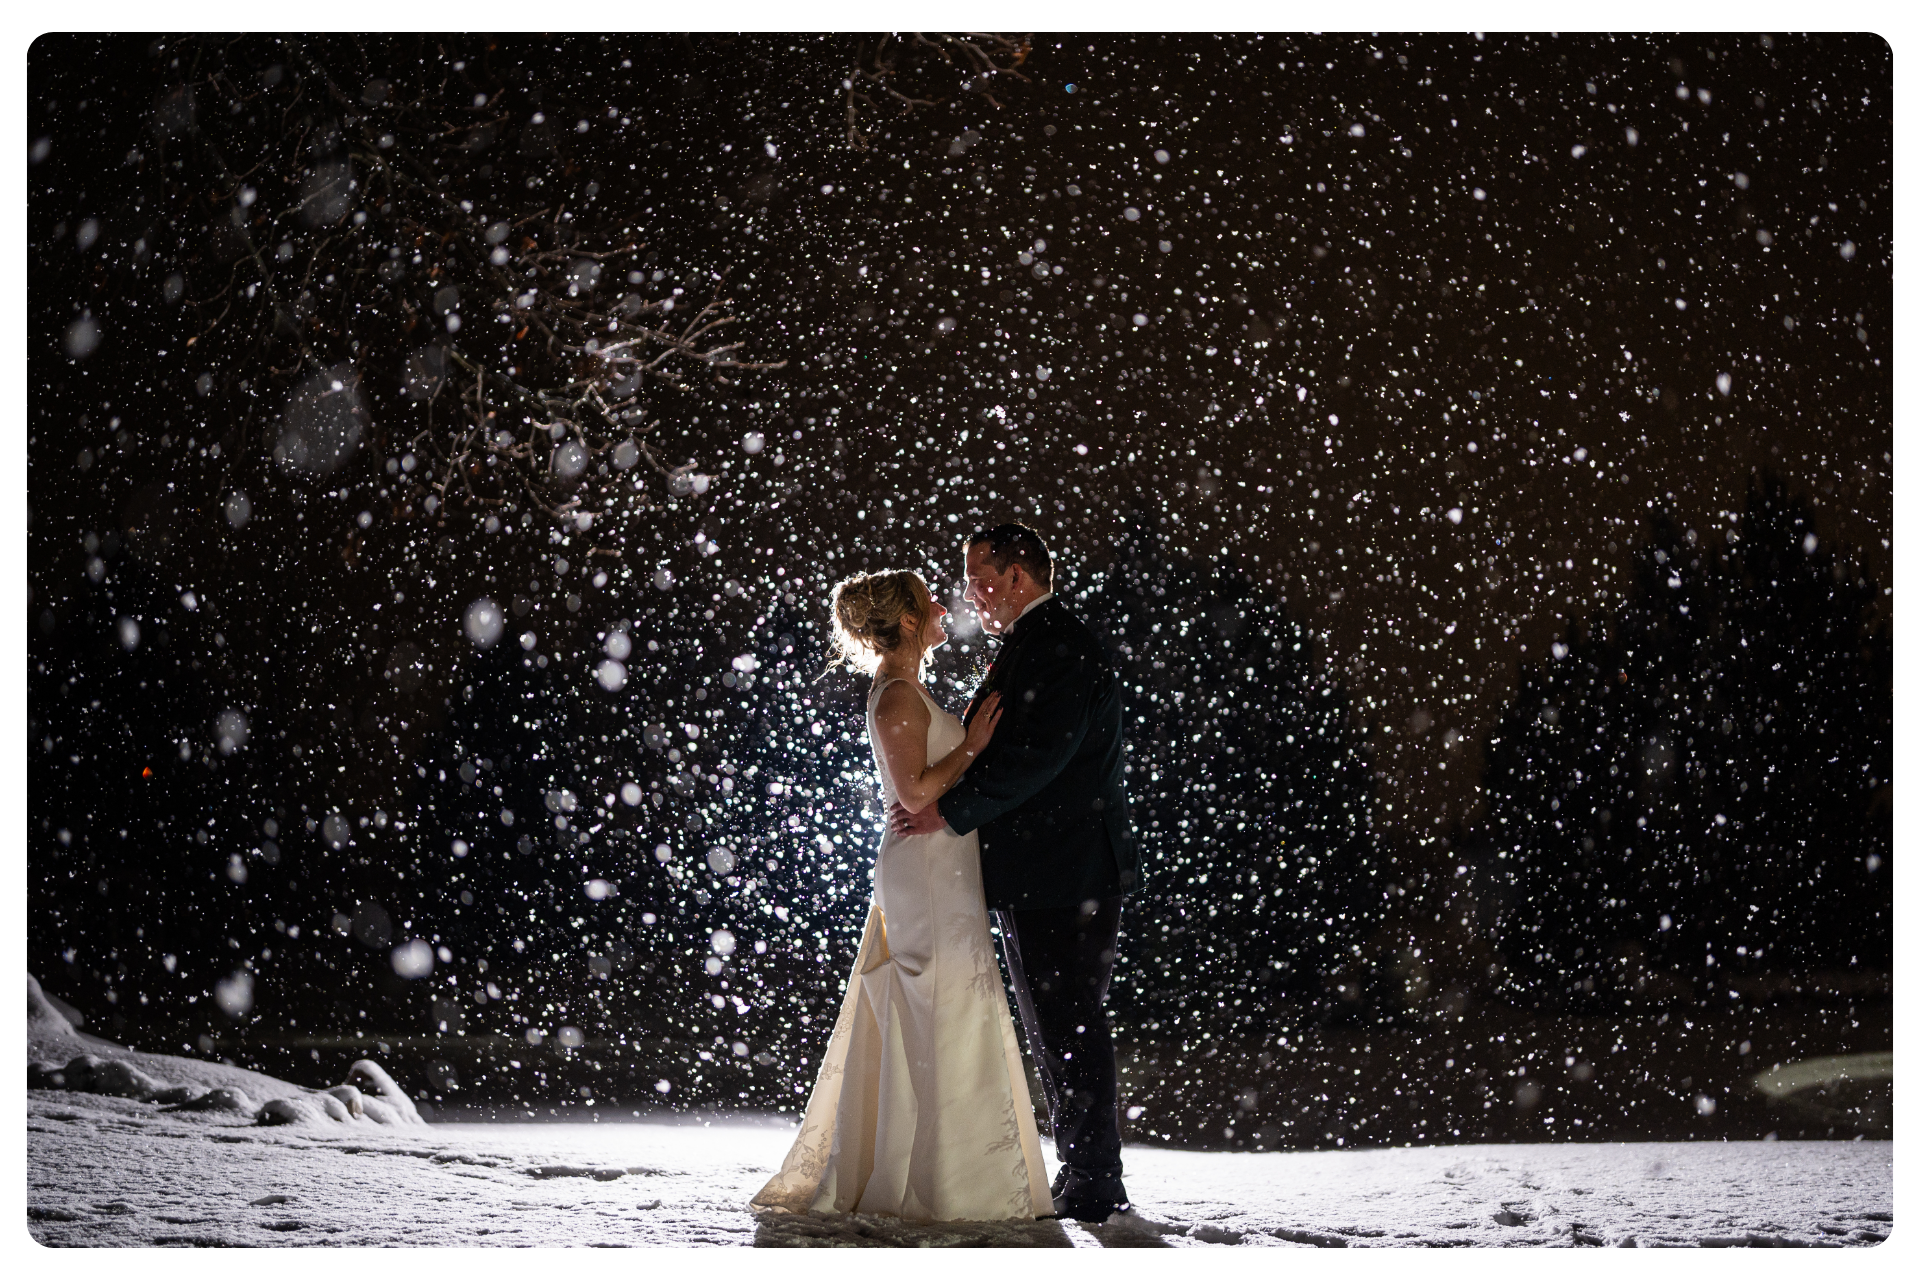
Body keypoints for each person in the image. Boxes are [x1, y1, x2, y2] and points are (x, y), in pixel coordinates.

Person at [751, 569, 1053, 1222]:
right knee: (941, 1008)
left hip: (943, 868)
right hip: (925, 871)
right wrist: (971, 745)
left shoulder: (908, 688)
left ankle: (952, 1171)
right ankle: (946, 1185)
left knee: (951, 1008)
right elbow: (915, 794)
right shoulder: (894, 695)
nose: (946, 606)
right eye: (930, 600)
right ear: (911, 620)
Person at [890, 523, 1140, 1223]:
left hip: (1065, 873)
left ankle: (1092, 1179)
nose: (971, 594)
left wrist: (951, 812)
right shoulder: (1040, 643)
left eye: (980, 578)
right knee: (1057, 1023)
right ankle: (1084, 1172)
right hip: (1051, 871)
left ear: (1018, 578)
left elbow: (1040, 756)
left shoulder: (1057, 646)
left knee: (1068, 1024)